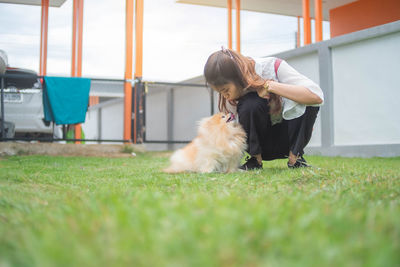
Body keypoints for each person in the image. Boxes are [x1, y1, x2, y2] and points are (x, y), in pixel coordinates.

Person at [204, 47, 324, 170]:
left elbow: (316, 96)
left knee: (303, 96)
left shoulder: (273, 66)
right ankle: (255, 161)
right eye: (220, 93)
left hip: (289, 139)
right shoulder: (232, 97)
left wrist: (269, 86)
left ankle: (295, 159)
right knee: (250, 104)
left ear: (237, 77)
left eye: (226, 90)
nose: (225, 96)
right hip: (262, 145)